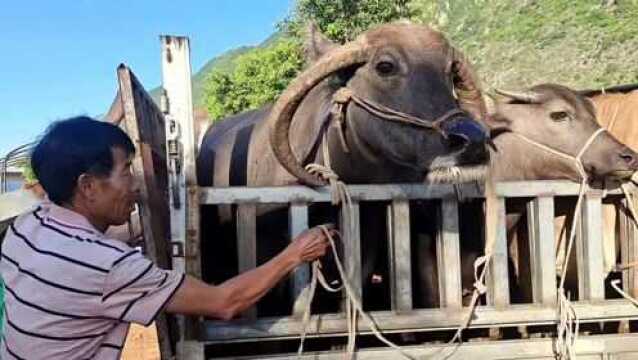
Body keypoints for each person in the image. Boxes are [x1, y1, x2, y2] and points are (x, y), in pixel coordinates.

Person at [0, 116, 331, 359]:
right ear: (87, 186)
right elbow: (224, 302)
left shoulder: (25, 227)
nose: (136, 185)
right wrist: (296, 253)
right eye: (127, 171)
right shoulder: (106, 264)